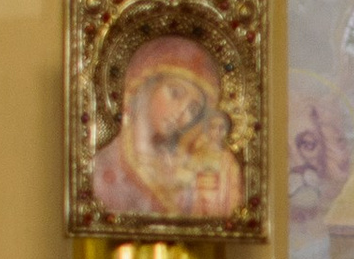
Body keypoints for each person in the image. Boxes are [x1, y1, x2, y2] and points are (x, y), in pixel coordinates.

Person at [88, 36, 244, 222]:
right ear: (142, 85)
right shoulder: (101, 168)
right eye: (175, 93)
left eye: (193, 109)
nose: (182, 113)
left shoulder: (194, 168)